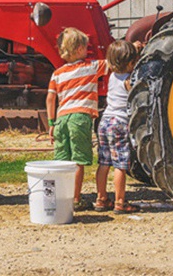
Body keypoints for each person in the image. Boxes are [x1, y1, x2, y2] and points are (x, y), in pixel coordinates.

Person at [46, 27, 107, 211]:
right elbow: (114, 61)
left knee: (62, 161)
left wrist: (51, 123)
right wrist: (133, 47)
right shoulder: (91, 67)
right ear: (80, 49)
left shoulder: (57, 74)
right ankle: (75, 199)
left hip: (61, 119)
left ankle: (61, 198)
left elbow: (50, 98)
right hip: (80, 116)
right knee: (78, 161)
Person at [94, 40, 140, 214]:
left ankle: (101, 198)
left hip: (104, 122)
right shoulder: (128, 80)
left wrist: (132, 49)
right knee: (120, 164)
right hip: (119, 123)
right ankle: (120, 201)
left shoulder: (112, 75)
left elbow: (120, 60)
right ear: (130, 63)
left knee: (104, 162)